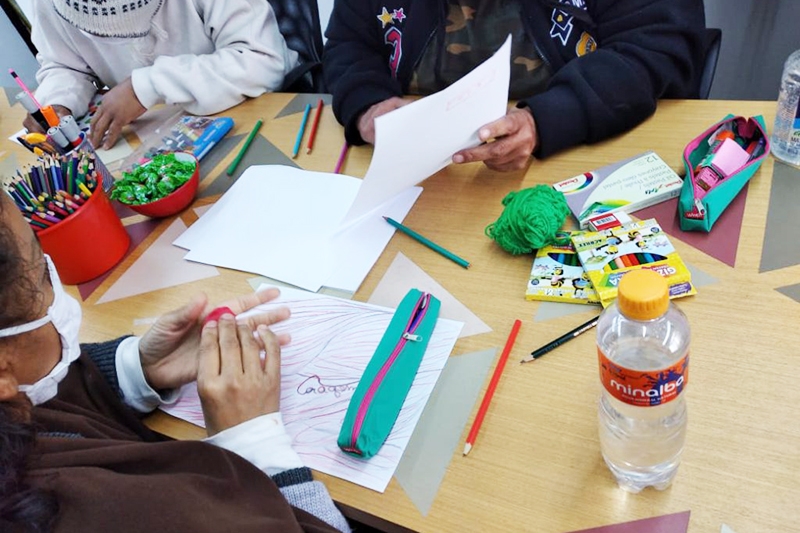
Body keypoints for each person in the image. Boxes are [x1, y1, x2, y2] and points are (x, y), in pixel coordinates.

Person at [0, 193, 351, 532]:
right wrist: (257, 445)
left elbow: (43, 400)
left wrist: (135, 370)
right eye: (44, 274)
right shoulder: (134, 513)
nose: (54, 281)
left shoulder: (14, 406)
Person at [323, 0, 706, 172]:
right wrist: (368, 106)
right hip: (417, 179)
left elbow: (656, 47)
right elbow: (349, 43)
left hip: (576, 157)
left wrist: (545, 121)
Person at [23, 0, 299, 149]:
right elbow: (64, 64)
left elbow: (262, 62)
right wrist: (58, 101)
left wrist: (147, 85)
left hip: (257, 118)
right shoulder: (54, 4)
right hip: (157, 137)